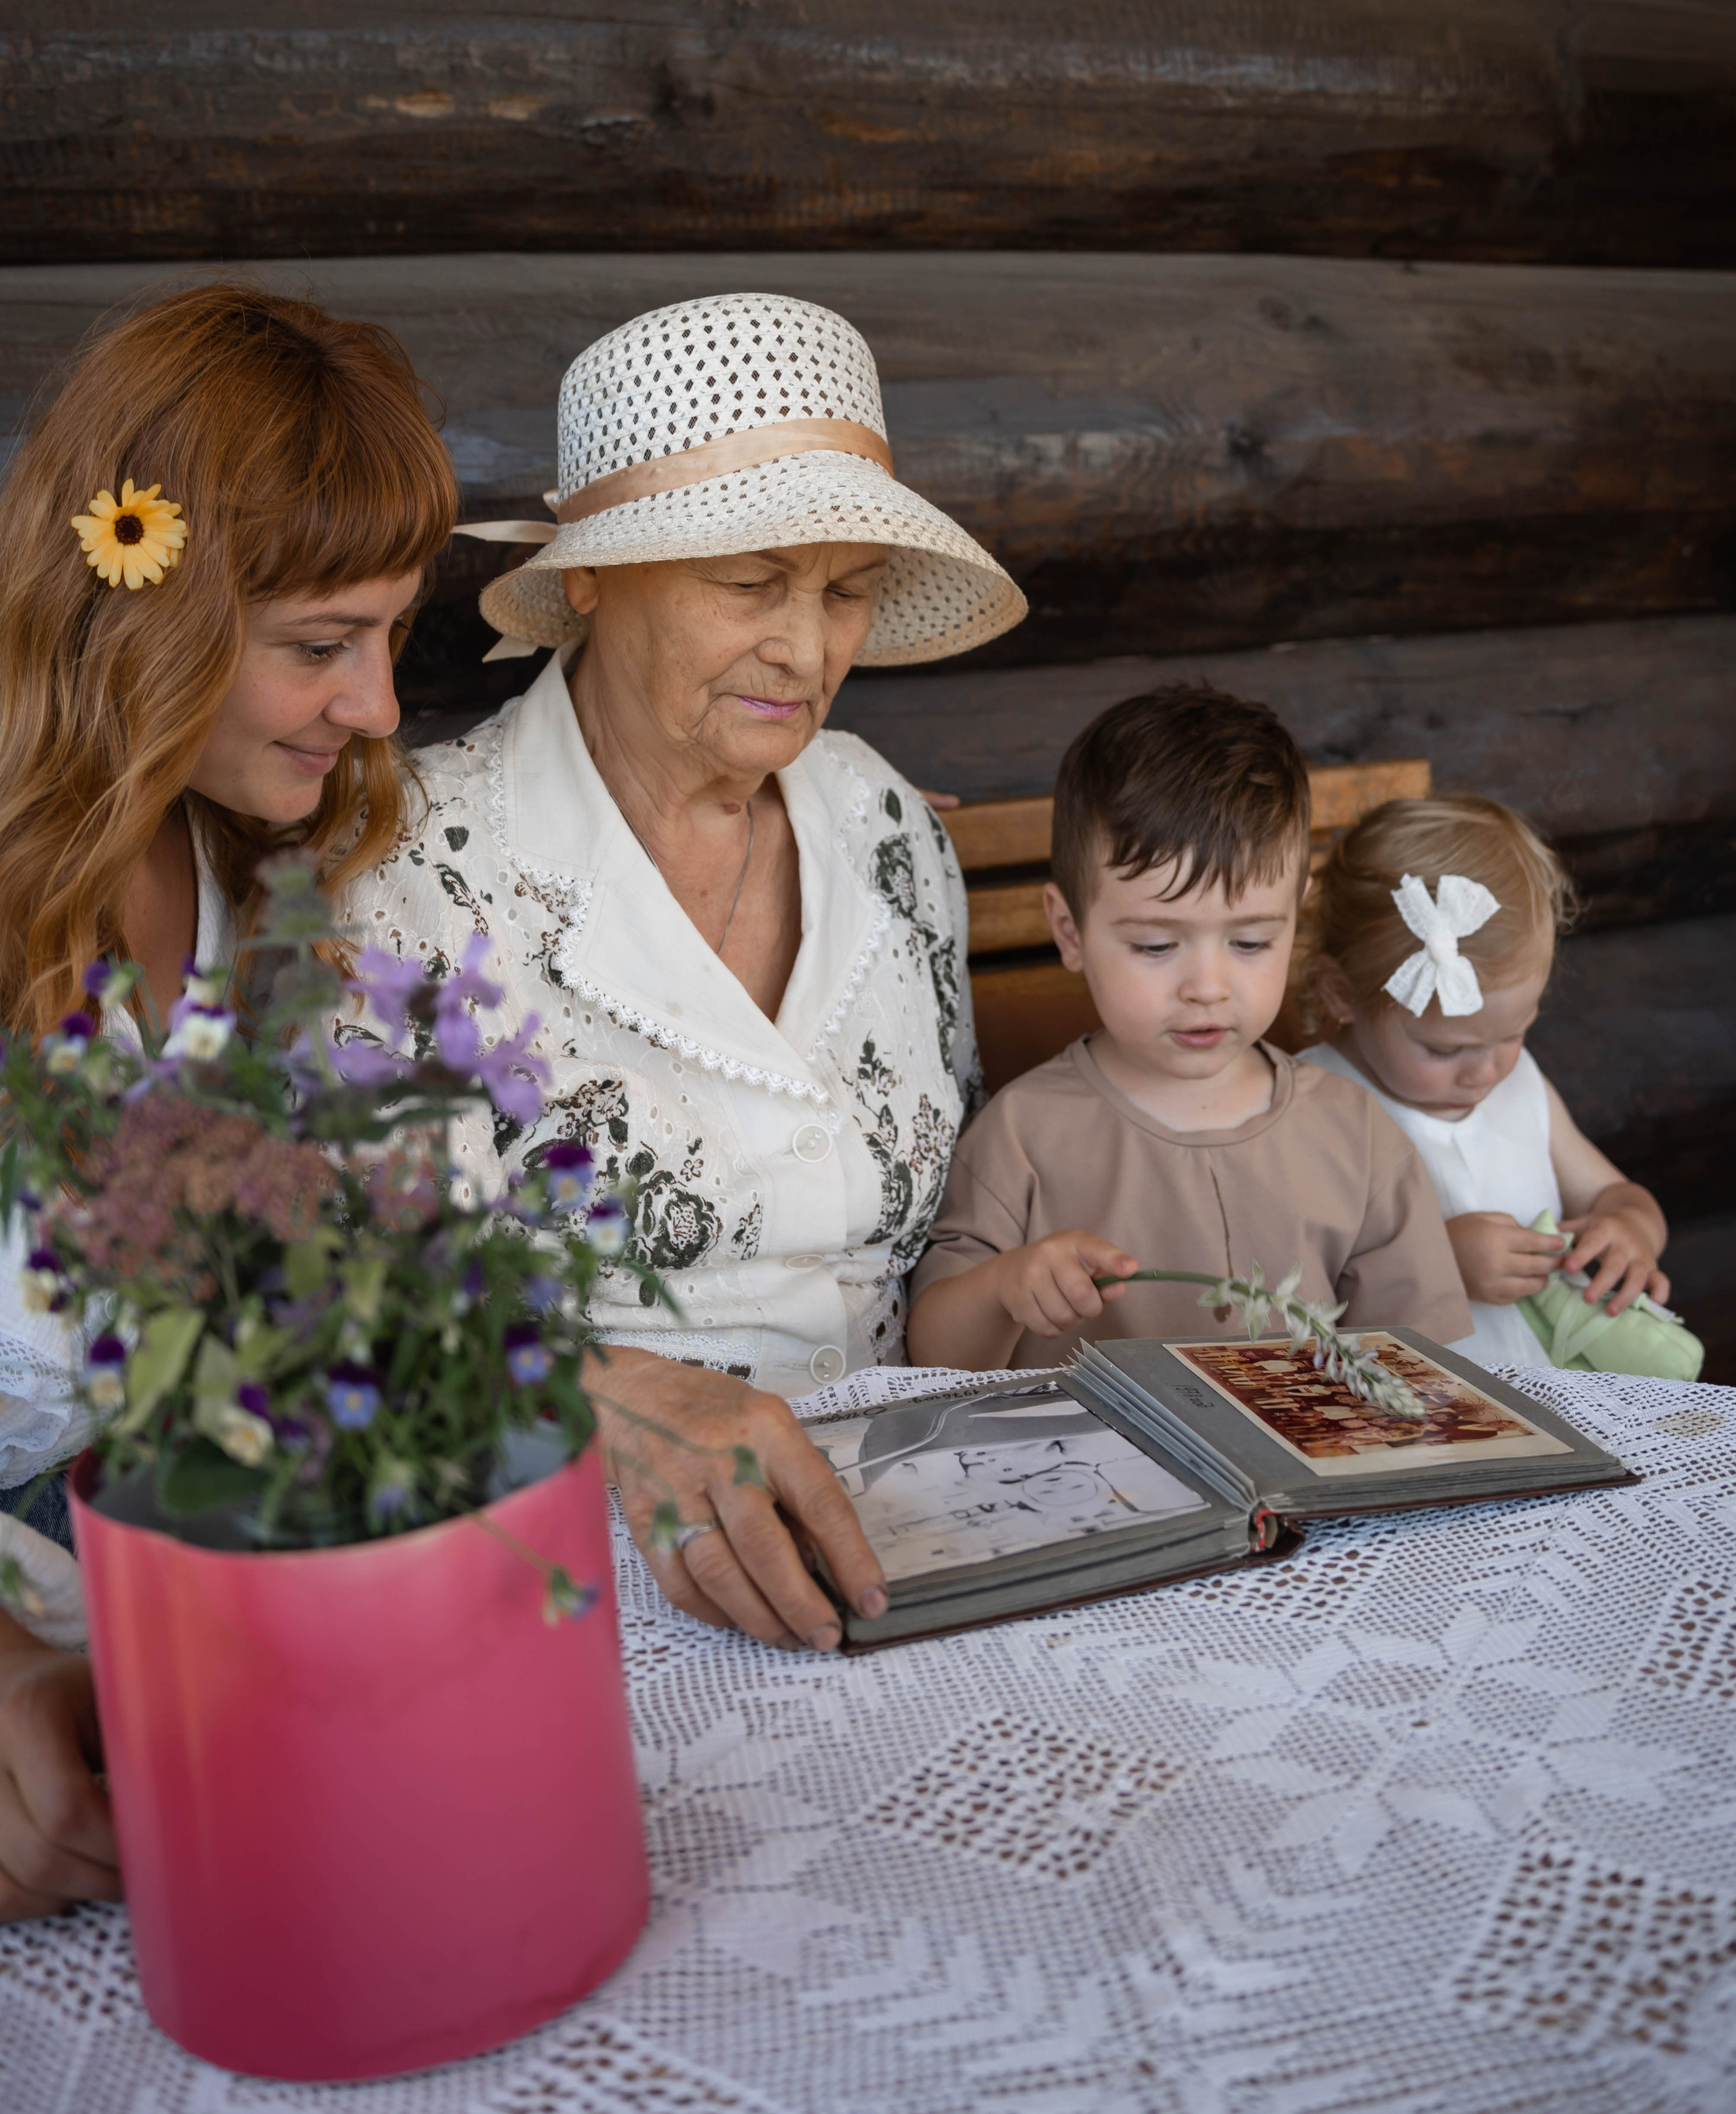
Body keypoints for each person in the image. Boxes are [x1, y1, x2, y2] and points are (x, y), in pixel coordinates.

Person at [336, 290, 1028, 1659]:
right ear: (588, 578)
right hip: (574, 1559)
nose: (809, 649)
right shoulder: (412, 873)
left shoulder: (880, 821)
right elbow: (357, 1312)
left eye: (844, 590)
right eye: (751, 581)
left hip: (919, 1517)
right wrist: (606, 1394)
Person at [0, 281, 462, 1919]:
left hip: (156, 1620)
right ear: (146, 607)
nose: (380, 708)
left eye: (392, 633)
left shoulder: (257, 895)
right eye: (321, 646)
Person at [906, 687, 1472, 1371]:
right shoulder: (1020, 1134)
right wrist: (1002, 1291)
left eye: (1251, 942)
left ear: (1296, 916)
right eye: (1154, 947)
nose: (1207, 987)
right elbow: (935, 1355)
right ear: (1069, 931)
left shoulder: (1355, 1134)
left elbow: (1422, 1368)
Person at [1294, 794, 1672, 1371]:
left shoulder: (1520, 1083)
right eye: (1445, 1049)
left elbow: (1613, 1194)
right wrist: (1437, 1261)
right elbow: (1297, 1289)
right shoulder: (1317, 1103)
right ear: (1342, 995)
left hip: (1554, 1396)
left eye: (1514, 1033)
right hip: (1417, 1415)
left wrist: (1629, 1228)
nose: (1486, 1071)